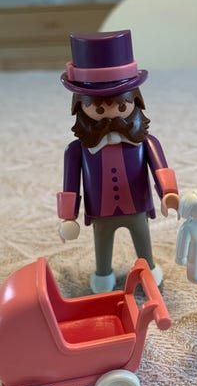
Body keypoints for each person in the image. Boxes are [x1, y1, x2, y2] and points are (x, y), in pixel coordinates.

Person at [57, 31, 179, 293]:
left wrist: (168, 192)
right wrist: (68, 215)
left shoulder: (146, 142)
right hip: (100, 209)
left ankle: (147, 269)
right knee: (102, 243)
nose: (110, 115)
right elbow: (70, 184)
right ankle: (103, 273)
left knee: (142, 240)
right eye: (99, 109)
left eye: (121, 106)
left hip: (136, 204)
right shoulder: (77, 150)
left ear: (135, 102)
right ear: (80, 106)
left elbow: (161, 168)